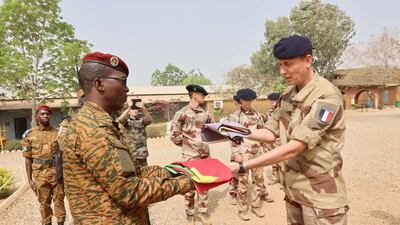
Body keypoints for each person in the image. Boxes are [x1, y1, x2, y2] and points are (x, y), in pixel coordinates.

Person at [58, 52, 194, 224]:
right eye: (123, 81)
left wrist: (172, 171)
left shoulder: (101, 124)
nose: (127, 89)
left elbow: (133, 174)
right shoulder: (93, 130)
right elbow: (128, 191)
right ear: (99, 84)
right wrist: (186, 183)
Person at [228, 35, 349, 225]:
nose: (282, 71)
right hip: (294, 191)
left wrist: (243, 167)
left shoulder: (328, 98)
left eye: (288, 64)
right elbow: (270, 133)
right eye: (280, 65)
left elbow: (296, 146)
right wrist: (236, 130)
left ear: (308, 61)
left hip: (320, 197)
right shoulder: (287, 95)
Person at [170, 84, 214, 225]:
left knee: (204, 182)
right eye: (202, 94)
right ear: (194, 95)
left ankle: (202, 211)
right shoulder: (181, 113)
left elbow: (212, 128)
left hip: (204, 154)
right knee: (190, 184)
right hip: (190, 155)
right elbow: (174, 134)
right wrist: (186, 145)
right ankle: (190, 213)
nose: (204, 97)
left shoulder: (205, 113)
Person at [226, 88, 268, 221]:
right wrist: (235, 154)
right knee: (243, 183)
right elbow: (232, 138)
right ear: (240, 101)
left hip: (257, 152)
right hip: (243, 153)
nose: (248, 102)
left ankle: (255, 206)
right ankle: (242, 209)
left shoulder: (257, 115)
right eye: (245, 100)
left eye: (250, 100)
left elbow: (263, 134)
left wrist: (264, 150)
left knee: (259, 181)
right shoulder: (234, 117)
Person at [21, 105, 66, 225]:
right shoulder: (29, 135)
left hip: (56, 174)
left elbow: (64, 156)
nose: (45, 116)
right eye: (42, 114)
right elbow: (27, 158)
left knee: (59, 202)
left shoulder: (57, 133)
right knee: (44, 204)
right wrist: (29, 179)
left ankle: (61, 222)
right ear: (37, 116)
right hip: (40, 175)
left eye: (47, 114)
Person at [117, 98, 152, 167]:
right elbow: (120, 120)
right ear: (129, 112)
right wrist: (129, 107)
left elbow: (149, 120)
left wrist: (143, 108)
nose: (135, 110)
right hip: (130, 153)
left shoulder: (141, 121)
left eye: (136, 109)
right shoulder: (126, 122)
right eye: (133, 109)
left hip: (142, 153)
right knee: (133, 174)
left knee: (145, 173)